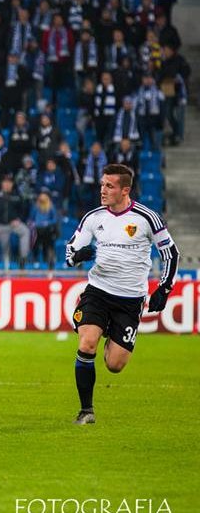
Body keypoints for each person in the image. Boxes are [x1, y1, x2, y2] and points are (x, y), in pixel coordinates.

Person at [66, 163, 178, 425]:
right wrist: (77, 256)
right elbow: (71, 251)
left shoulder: (146, 218)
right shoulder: (93, 218)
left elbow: (170, 253)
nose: (103, 190)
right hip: (98, 291)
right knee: (86, 344)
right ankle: (86, 411)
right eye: (102, 184)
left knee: (115, 365)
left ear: (125, 190)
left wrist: (164, 287)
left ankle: (110, 334)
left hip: (130, 301)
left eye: (109, 186)